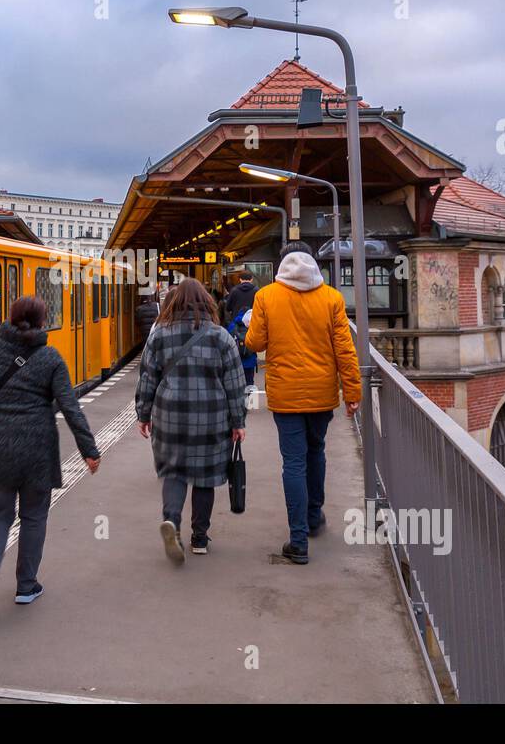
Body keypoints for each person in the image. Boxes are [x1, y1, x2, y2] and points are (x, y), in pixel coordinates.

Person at [0, 295, 101, 619]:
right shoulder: (50, 357)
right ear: (42, 322)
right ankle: (26, 587)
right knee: (34, 516)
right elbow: (70, 406)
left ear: (10, 319)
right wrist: (89, 451)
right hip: (37, 448)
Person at [244, 241, 360, 565]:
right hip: (322, 394)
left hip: (286, 395)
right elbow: (345, 352)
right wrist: (352, 394)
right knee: (316, 451)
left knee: (293, 463)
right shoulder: (332, 298)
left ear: (281, 266)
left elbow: (254, 342)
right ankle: (313, 518)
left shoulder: (266, 297)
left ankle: (298, 542)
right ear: (313, 262)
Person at [135, 279, 246, 563]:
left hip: (169, 415)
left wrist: (143, 414)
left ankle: (171, 522)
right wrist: (238, 421)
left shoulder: (159, 334)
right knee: (205, 476)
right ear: (206, 302)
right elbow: (234, 382)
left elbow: (147, 376)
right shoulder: (221, 336)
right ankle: (199, 538)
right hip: (211, 416)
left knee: (174, 472)